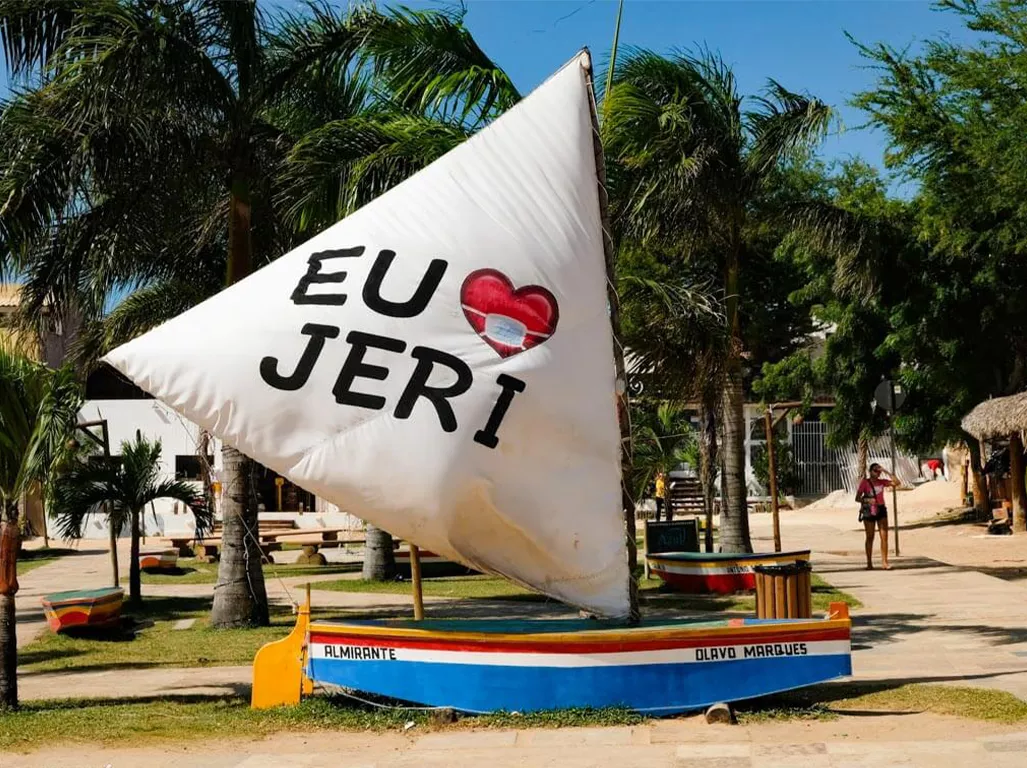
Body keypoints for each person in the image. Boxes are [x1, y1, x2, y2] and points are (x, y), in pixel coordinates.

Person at [856, 463, 899, 570]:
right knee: (870, 537)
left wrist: (886, 471)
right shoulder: (865, 483)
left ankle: (885, 562)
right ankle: (869, 563)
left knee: (884, 537)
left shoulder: (882, 482)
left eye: (879, 471)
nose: (878, 473)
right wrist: (867, 500)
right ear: (870, 471)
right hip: (869, 510)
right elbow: (857, 498)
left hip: (881, 509)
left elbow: (897, 483)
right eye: (875, 470)